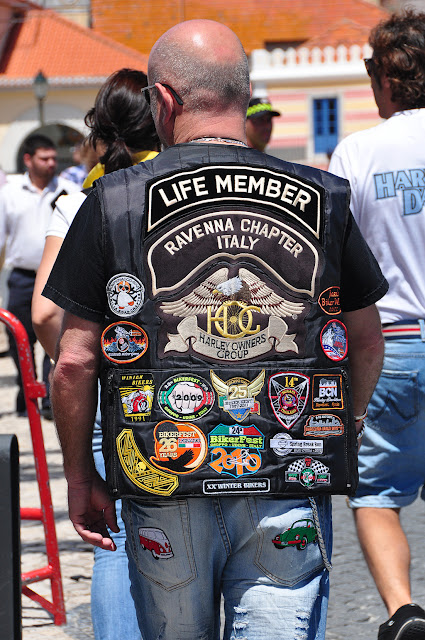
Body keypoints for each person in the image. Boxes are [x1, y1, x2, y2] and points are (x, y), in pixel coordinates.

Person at [46, 20, 387, 640]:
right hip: (290, 472)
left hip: (163, 473)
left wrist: (79, 476)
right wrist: (349, 424)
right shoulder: (325, 196)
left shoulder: (113, 200)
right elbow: (365, 340)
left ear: (164, 100)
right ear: (245, 94)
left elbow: (73, 361)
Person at [32, 68, 159, 640]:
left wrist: (80, 362)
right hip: (197, 390)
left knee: (117, 537)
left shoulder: (79, 200)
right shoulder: (184, 186)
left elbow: (43, 313)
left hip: (115, 395)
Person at [329, 9, 425, 640]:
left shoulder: (357, 152)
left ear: (387, 79)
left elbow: (332, 262)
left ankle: (404, 611)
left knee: (377, 495)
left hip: (391, 346)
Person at [0, 134, 79, 417]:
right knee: (18, 337)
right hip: (21, 277)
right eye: (44, 158)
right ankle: (26, 395)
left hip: (59, 277)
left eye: (54, 158)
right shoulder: (9, 193)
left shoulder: (69, 190)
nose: (51, 163)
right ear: (28, 159)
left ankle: (49, 397)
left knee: (56, 336)